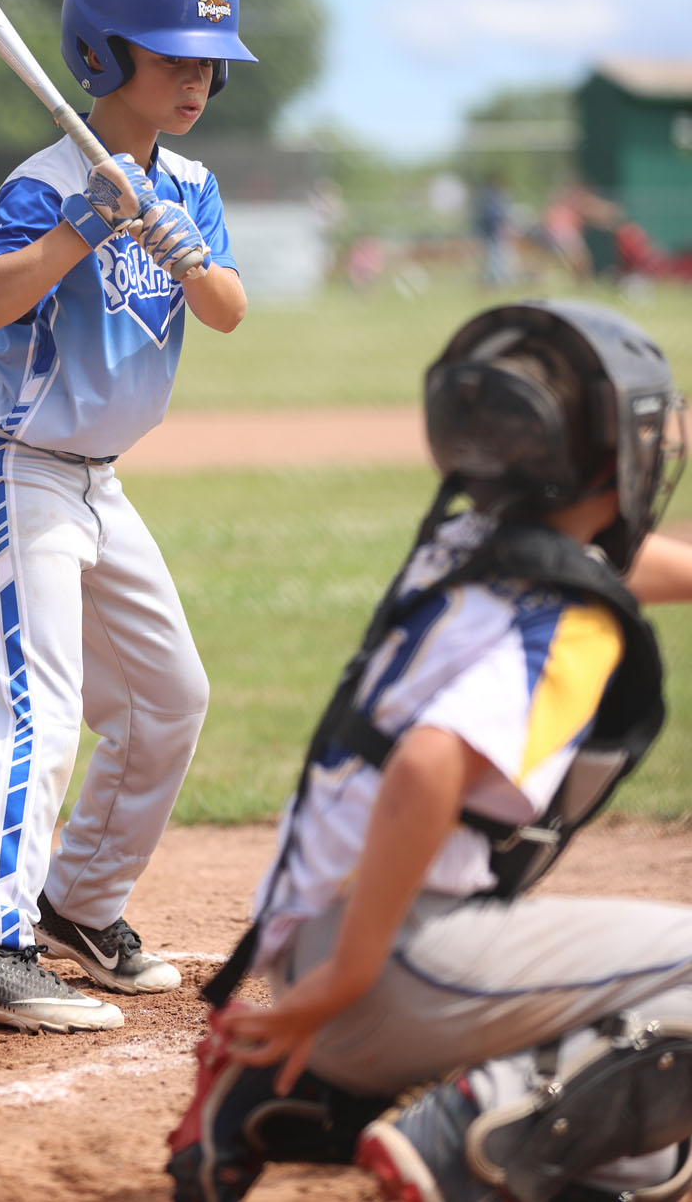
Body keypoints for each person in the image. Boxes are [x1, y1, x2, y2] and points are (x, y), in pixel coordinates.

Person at [166, 297, 692, 1202]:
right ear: (617, 459)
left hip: (311, 951)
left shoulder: (462, 543)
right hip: (389, 966)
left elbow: (613, 564)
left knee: (645, 1154)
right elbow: (429, 763)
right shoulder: (573, 627)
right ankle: (468, 1137)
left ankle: (282, 1096)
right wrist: (356, 976)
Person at [0, 0, 257, 1036]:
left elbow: (229, 311)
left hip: (100, 485)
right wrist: (82, 228)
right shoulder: (50, 180)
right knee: (41, 710)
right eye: (173, 60)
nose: (197, 81)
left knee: (172, 698)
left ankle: (78, 901)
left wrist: (183, 247)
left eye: (207, 64)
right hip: (18, 473)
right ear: (103, 58)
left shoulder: (191, 184)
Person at [470, 172, 516, 285]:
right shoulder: (490, 198)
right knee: (495, 257)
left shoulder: (494, 197)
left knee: (498, 257)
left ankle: (499, 279)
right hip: (492, 233)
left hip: (495, 233)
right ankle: (496, 280)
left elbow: (502, 216)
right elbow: (495, 216)